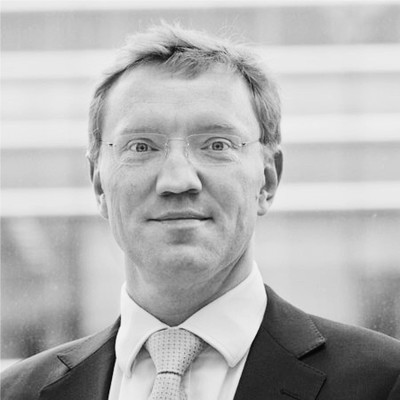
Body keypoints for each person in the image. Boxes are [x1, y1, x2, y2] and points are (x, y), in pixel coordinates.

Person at [1, 23, 399, 400]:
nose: (178, 180)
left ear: (268, 179)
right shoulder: (16, 392)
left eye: (216, 145)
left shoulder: (383, 382)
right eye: (141, 146)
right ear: (99, 184)